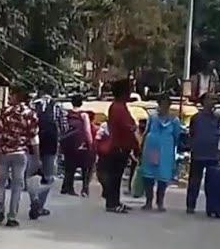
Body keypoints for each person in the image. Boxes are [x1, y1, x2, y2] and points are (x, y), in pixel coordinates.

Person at [0, 86, 40, 227]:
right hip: (20, 154)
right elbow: (34, 139)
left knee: (0, 183)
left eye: (11, 95)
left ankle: (0, 210)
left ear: (17, 96)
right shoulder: (31, 114)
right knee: (17, 186)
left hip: (4, 152)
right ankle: (12, 216)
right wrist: (37, 157)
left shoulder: (5, 112)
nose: (9, 97)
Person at [138, 94, 184, 211]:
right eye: (161, 104)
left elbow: (177, 136)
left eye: (165, 104)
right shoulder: (153, 118)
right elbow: (146, 132)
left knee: (163, 177)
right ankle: (148, 201)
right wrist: (141, 147)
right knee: (148, 175)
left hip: (166, 151)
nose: (163, 107)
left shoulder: (174, 120)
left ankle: (160, 202)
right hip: (151, 148)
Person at [101, 79, 140, 213]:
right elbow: (126, 126)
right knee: (115, 177)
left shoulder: (120, 106)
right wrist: (133, 127)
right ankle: (112, 203)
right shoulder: (117, 107)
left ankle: (116, 201)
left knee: (117, 176)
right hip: (118, 146)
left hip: (123, 146)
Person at [30, 85, 67, 217]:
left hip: (32, 145)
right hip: (50, 146)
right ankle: (39, 205)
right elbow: (64, 127)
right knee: (48, 178)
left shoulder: (32, 104)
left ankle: (33, 199)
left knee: (29, 176)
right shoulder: (57, 107)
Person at [184, 92, 220, 214]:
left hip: (212, 154)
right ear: (204, 102)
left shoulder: (217, 117)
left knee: (212, 183)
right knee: (194, 181)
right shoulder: (196, 118)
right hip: (198, 154)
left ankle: (212, 206)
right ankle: (191, 206)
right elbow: (192, 134)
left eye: (215, 100)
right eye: (211, 99)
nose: (213, 102)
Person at [60, 94, 95, 197]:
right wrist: (90, 143)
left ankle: (67, 187)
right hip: (81, 144)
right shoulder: (84, 115)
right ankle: (84, 189)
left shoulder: (67, 114)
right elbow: (87, 130)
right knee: (86, 166)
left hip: (68, 144)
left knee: (69, 166)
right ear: (81, 103)